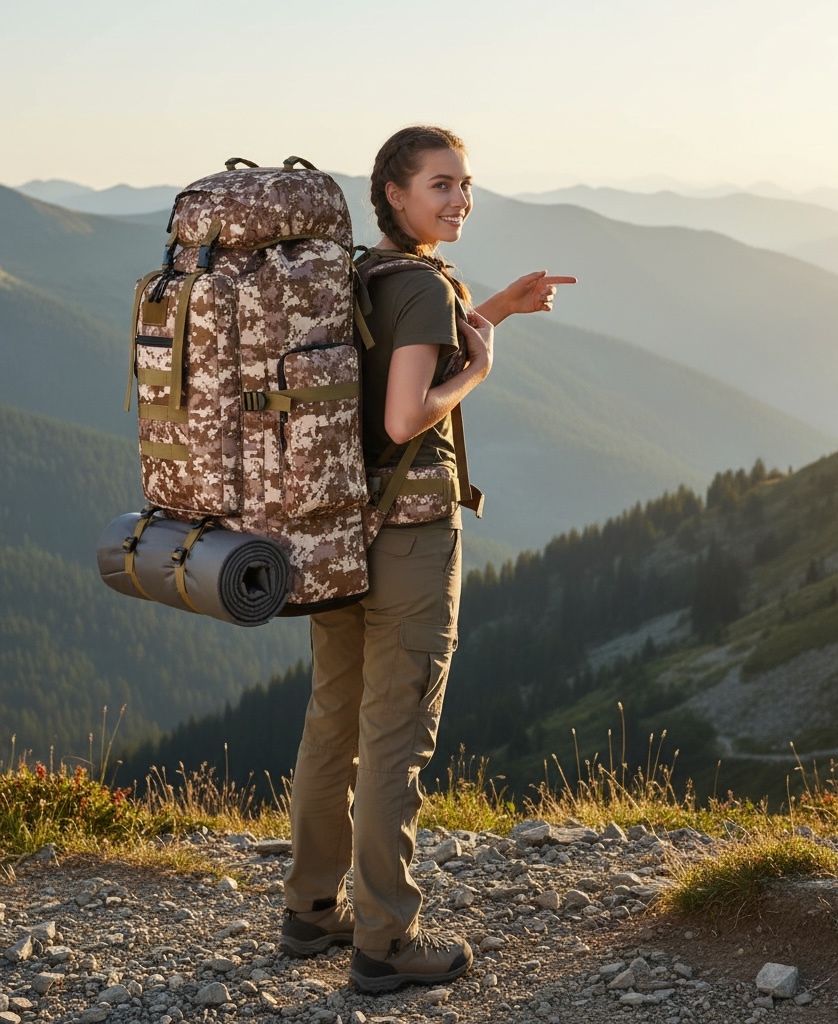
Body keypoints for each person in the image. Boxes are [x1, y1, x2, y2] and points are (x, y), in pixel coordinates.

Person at [279, 125, 575, 994]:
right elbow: (409, 417)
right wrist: (477, 374)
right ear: (395, 195)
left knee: (332, 719)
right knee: (394, 736)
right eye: (440, 185)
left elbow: (379, 379)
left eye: (466, 184)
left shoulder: (363, 275)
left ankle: (309, 912)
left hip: (336, 530)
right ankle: (383, 942)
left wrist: (498, 311)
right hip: (407, 538)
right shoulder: (421, 288)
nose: (459, 201)